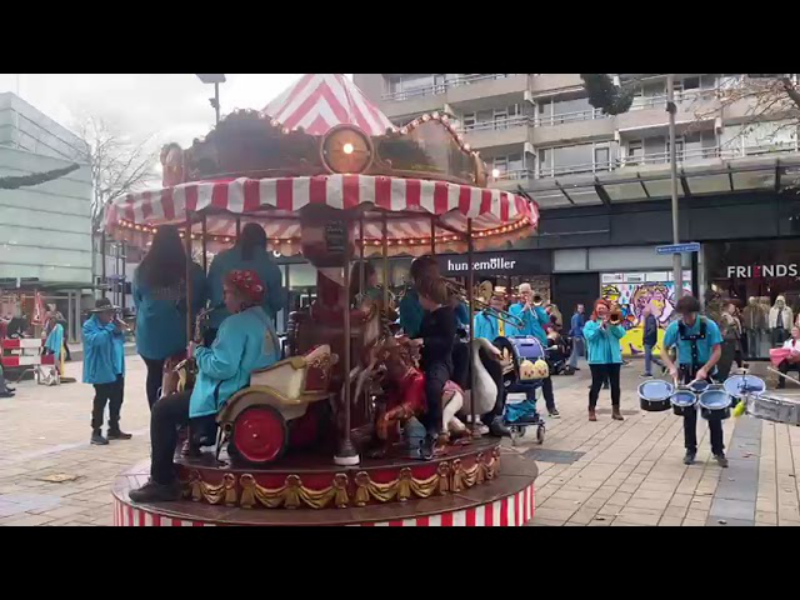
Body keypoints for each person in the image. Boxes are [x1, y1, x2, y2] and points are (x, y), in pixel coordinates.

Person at [129, 270, 280, 503]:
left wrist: (198, 352)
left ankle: (162, 481)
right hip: (251, 387)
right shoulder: (263, 318)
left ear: (241, 296)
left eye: (228, 292)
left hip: (230, 392)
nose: (225, 298)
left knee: (162, 410)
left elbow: (223, 367)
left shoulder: (235, 324)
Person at [133, 225, 208, 410]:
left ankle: (156, 417)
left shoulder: (142, 269)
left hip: (148, 335)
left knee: (154, 375)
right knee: (181, 376)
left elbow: (138, 299)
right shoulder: (192, 270)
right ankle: (178, 422)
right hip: (178, 335)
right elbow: (200, 300)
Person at [660, 295, 726, 467]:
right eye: (683, 315)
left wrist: (705, 369)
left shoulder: (709, 326)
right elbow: (663, 350)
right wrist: (672, 367)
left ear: (695, 313)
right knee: (688, 414)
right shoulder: (675, 327)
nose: (686, 318)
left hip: (708, 373)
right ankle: (690, 449)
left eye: (689, 315)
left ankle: (718, 451)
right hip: (686, 374)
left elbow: (717, 351)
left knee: (714, 413)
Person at [400, 277, 456, 452]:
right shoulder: (428, 316)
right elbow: (420, 333)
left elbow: (447, 342)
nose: (418, 300)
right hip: (425, 360)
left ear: (428, 297)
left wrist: (423, 341)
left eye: (420, 296)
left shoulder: (447, 316)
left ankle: (434, 429)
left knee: (432, 386)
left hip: (440, 362)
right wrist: (408, 339)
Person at [207, 223, 285, 344]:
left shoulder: (220, 260)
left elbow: (210, 293)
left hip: (220, 325)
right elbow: (278, 303)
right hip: (258, 329)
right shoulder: (270, 266)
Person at [83, 298, 132, 445]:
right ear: (99, 313)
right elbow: (97, 341)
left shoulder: (110, 326)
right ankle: (96, 431)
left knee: (117, 399)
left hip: (116, 368)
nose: (110, 315)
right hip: (101, 370)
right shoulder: (89, 326)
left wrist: (120, 329)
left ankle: (114, 428)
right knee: (101, 400)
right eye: (107, 313)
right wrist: (111, 327)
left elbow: (121, 340)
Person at [509, 283, 559, 417]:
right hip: (524, 345)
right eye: (523, 292)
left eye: (528, 292)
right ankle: (529, 407)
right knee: (527, 376)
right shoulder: (513, 308)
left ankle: (551, 406)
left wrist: (535, 308)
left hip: (539, 345)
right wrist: (525, 309)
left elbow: (545, 320)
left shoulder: (536, 308)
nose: (526, 295)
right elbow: (516, 323)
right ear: (519, 294)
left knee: (546, 376)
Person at [472, 291, 512, 437]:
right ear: (489, 301)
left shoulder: (504, 318)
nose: (497, 302)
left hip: (500, 355)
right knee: (489, 388)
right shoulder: (481, 318)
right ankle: (488, 419)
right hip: (486, 354)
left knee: (502, 387)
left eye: (500, 300)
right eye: (495, 299)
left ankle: (495, 417)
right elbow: (476, 336)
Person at [584, 299, 626, 422]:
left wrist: (612, 326)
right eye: (599, 308)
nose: (601, 310)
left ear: (608, 310)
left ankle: (616, 410)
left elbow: (621, 334)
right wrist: (599, 327)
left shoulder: (614, 321)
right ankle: (591, 410)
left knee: (615, 385)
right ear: (595, 310)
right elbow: (590, 337)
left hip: (613, 359)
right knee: (596, 385)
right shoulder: (590, 324)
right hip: (597, 360)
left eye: (603, 308)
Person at [717, 302, 743, 381]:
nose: (733, 310)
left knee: (737, 360)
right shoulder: (724, 318)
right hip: (727, 342)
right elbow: (724, 331)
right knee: (725, 363)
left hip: (733, 342)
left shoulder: (732, 317)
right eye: (732, 308)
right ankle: (722, 379)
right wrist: (732, 324)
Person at [642, 305, 664, 377]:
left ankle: (648, 371)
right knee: (649, 355)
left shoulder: (650, 319)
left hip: (649, 340)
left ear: (648, 312)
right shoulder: (649, 318)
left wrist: (646, 337)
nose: (643, 314)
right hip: (649, 339)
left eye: (644, 312)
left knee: (647, 356)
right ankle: (662, 364)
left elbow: (652, 330)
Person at [568, 303, 586, 371]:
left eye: (582, 308)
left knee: (576, 351)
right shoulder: (577, 316)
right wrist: (577, 336)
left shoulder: (579, 316)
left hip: (578, 335)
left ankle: (572, 364)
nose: (581, 309)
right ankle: (572, 364)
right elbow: (575, 327)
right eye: (580, 308)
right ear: (577, 309)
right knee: (578, 350)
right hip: (577, 335)